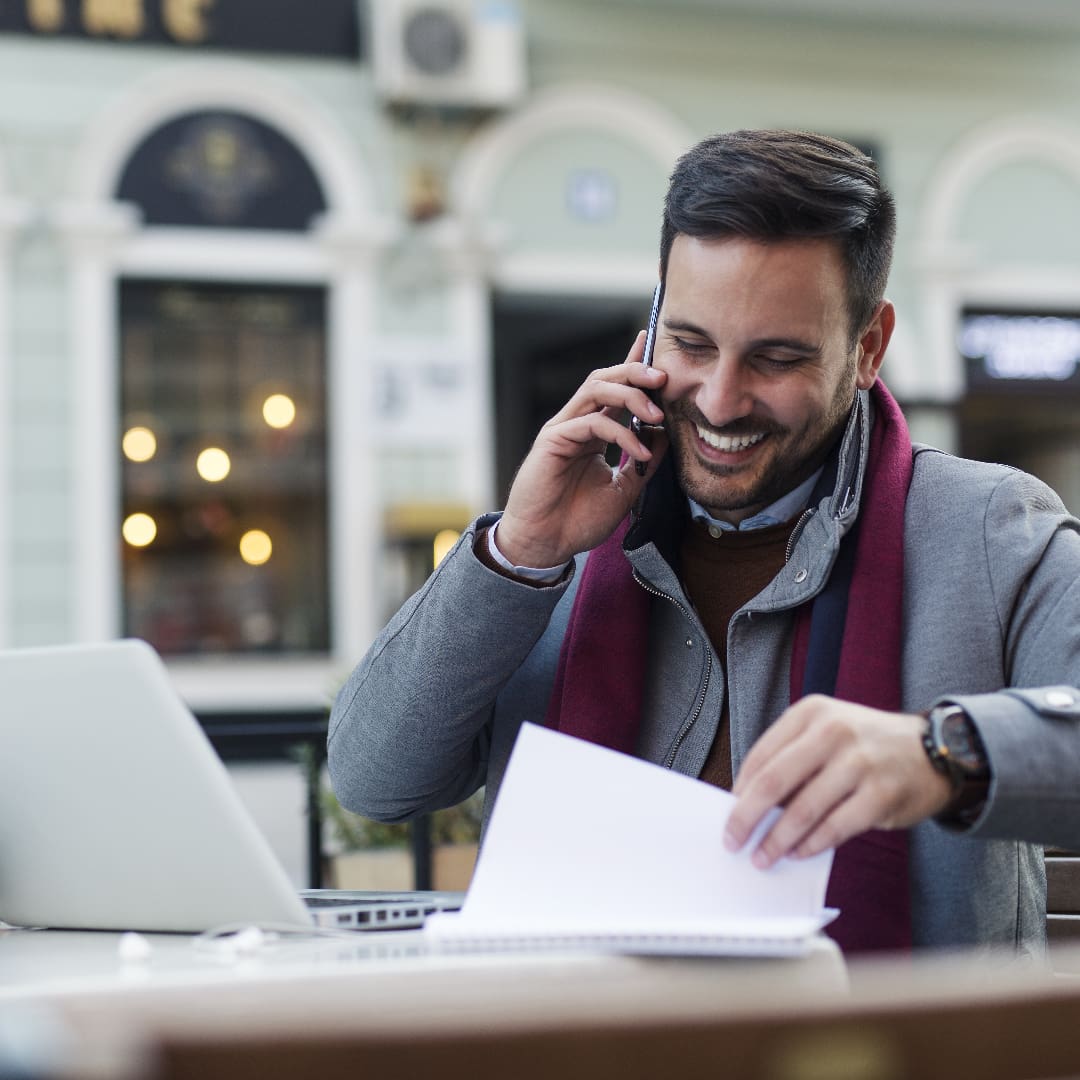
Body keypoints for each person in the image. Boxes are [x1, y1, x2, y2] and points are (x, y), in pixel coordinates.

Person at [328, 129, 1080, 954]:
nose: (721, 401)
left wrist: (941, 754)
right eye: (690, 344)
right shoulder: (558, 538)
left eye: (777, 358)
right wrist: (519, 550)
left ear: (867, 348)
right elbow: (373, 780)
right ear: (652, 323)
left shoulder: (992, 527)